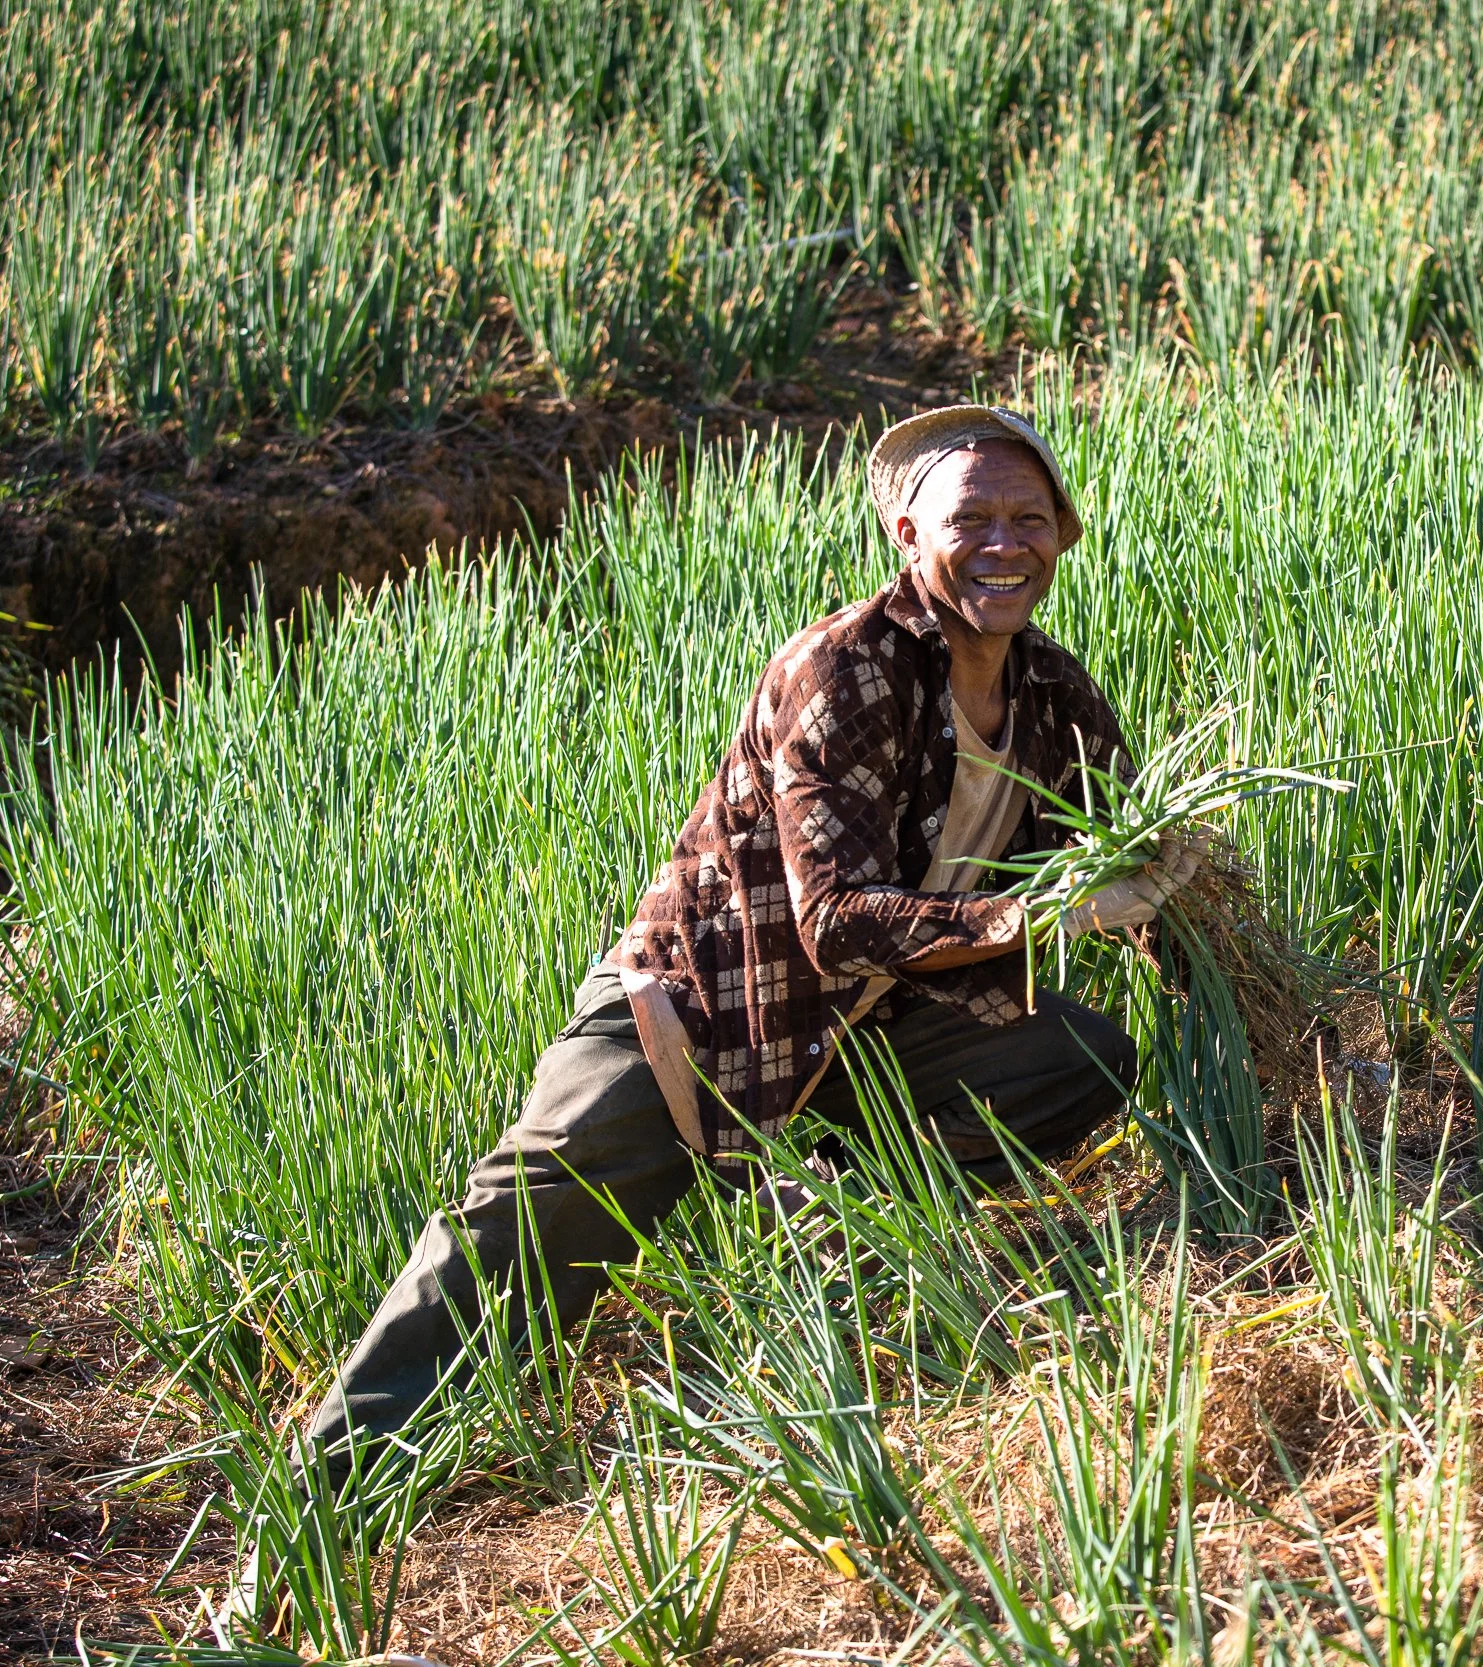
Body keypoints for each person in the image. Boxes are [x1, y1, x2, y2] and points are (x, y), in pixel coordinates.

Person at [302, 404, 1195, 1474]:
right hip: (699, 1016)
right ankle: (322, 1496)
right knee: (505, 1255)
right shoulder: (845, 669)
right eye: (972, 519)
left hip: (860, 1036)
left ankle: (817, 1242)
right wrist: (1032, 916)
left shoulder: (1052, 696)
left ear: (1064, 531)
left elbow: (1130, 864)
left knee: (1075, 1053)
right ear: (907, 536)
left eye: (1030, 517)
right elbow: (835, 921)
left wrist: (1221, 982)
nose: (1006, 543)